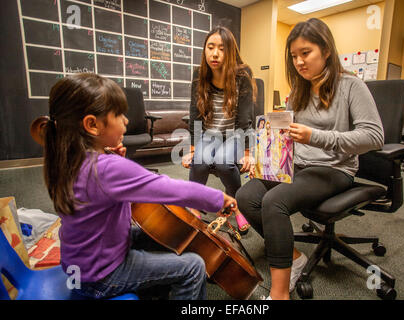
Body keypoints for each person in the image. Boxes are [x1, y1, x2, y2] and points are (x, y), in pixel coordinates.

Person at [42, 73, 237, 300]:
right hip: (100, 277)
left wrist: (114, 159)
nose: (126, 121)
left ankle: (156, 288)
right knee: (193, 267)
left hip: (80, 267)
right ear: (92, 125)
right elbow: (170, 188)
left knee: (170, 234)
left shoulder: (68, 158)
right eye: (118, 114)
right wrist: (219, 198)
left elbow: (105, 193)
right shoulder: (106, 169)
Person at [236, 18, 384, 300]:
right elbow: (291, 136)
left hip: (333, 168)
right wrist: (266, 149)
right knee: (246, 196)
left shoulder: (351, 86)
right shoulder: (299, 91)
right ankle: (294, 258)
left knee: (273, 201)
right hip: (298, 164)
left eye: (306, 53)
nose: (299, 62)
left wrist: (314, 136)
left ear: (326, 50)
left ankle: (280, 293)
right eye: (294, 56)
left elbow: (374, 136)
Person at [181, 26, 254, 233]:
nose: (215, 53)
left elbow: (245, 119)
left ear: (230, 51)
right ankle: (194, 206)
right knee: (200, 162)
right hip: (209, 135)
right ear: (204, 50)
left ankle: (235, 204)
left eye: (221, 49)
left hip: (234, 135)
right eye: (210, 47)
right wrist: (193, 149)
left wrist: (247, 154)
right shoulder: (199, 74)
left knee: (223, 163)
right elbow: (194, 115)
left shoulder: (242, 75)